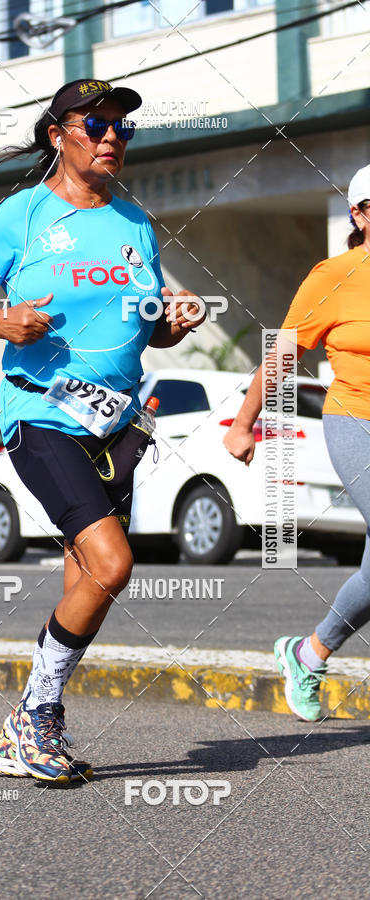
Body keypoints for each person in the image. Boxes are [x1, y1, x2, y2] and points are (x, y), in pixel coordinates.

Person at [0, 78, 205, 781]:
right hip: (42, 412)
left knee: (85, 575)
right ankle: (33, 715)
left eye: (123, 127)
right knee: (114, 564)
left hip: (114, 423)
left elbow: (145, 331)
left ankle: (28, 730)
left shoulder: (135, 224)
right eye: (97, 123)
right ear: (59, 134)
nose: (113, 135)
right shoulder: (22, 215)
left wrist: (172, 326)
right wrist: (2, 319)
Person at [223, 163, 370, 723]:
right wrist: (243, 421)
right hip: (356, 418)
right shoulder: (333, 275)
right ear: (359, 215)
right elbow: (285, 353)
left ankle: (307, 653)